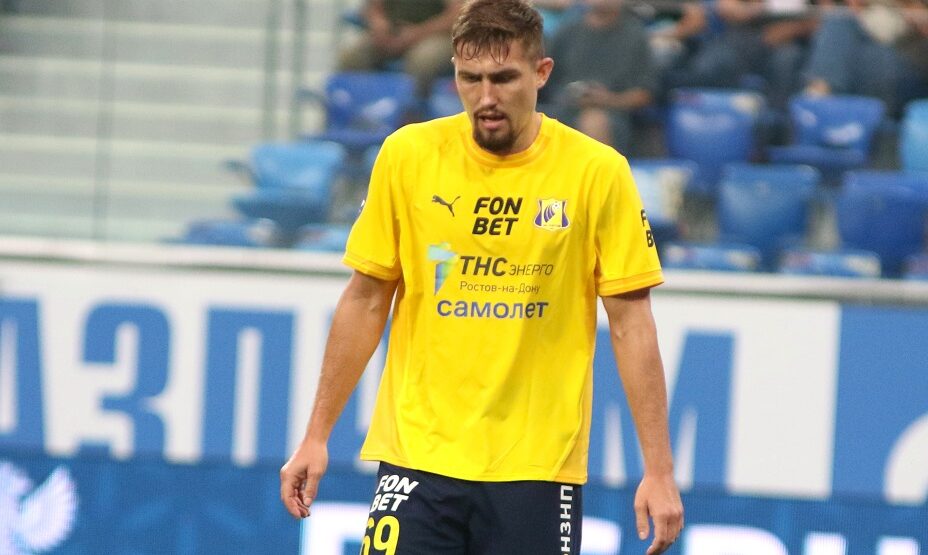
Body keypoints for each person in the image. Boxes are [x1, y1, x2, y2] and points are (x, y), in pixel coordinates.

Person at [281, 0, 684, 553]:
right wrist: (316, 435)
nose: (486, 97)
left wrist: (659, 470)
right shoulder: (408, 156)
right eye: (470, 79)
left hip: (536, 468)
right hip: (417, 458)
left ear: (541, 73)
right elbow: (365, 300)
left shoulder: (596, 172)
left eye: (504, 78)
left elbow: (631, 323)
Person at [540, 0, 659, 152]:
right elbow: (542, 78)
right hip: (562, 107)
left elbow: (646, 94)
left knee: (594, 121)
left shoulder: (635, 36)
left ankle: (600, 167)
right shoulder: (567, 31)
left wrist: (608, 99)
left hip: (613, 113)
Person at [670, 0, 820, 109]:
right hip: (744, 34)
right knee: (711, 64)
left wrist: (790, 30)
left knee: (787, 59)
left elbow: (820, 17)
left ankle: (776, 125)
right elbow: (727, 8)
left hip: (789, 40)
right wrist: (755, 9)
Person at [803, 0, 928, 115]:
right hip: (866, 46)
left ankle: (815, 106)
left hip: (910, 55)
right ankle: (818, 99)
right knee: (838, 22)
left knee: (876, 58)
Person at [338, 0, 464, 95]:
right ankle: (355, 109)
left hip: (437, 35)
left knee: (423, 61)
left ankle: (412, 111)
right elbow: (372, 8)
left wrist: (417, 34)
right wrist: (379, 24)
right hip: (392, 33)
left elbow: (457, 14)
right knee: (352, 57)